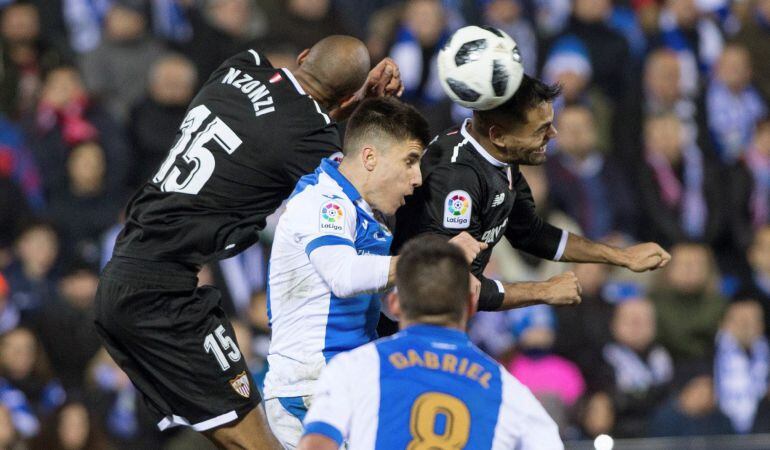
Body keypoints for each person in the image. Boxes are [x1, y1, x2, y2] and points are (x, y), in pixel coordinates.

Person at [95, 35, 403, 448]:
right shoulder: (312, 141)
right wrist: (372, 107)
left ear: (303, 56)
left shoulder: (241, 64)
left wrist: (356, 98)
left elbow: (284, 116)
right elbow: (364, 178)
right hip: (160, 296)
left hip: (126, 274)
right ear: (345, 96)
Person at [264, 97, 485, 449]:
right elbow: (345, 275)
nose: (417, 178)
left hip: (349, 381)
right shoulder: (324, 202)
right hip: (310, 390)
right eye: (410, 161)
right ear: (370, 157)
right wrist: (436, 257)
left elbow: (378, 301)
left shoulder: (366, 212)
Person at [392, 74, 670, 318]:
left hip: (447, 316)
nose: (554, 134)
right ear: (498, 135)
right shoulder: (456, 180)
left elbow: (531, 233)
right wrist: (544, 291)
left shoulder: (500, 155)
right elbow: (449, 281)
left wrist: (622, 257)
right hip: (400, 319)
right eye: (541, 129)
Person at [297, 236, 563, 450]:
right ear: (471, 305)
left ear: (395, 304)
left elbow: (316, 444)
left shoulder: (354, 368)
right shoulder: (508, 389)